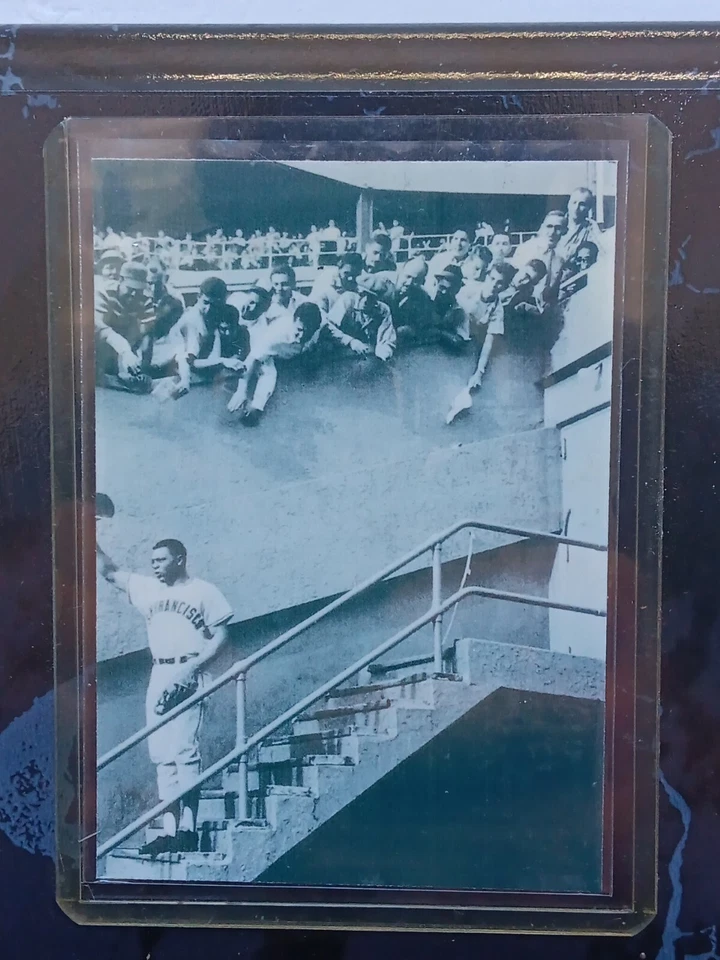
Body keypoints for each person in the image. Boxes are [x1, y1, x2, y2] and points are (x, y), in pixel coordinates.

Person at [97, 538, 232, 856]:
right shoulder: (148, 588)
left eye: (161, 560)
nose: (154, 565)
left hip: (190, 669)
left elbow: (223, 636)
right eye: (153, 560)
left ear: (180, 560)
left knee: (184, 751)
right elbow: (109, 571)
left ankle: (190, 828)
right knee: (161, 755)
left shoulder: (203, 591)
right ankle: (170, 832)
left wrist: (194, 668)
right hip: (159, 673)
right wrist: (89, 531)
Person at [226, 301, 323, 425]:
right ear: (294, 321)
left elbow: (331, 331)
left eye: (308, 332)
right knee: (268, 371)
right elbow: (252, 358)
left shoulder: (320, 325)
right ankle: (255, 408)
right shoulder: (276, 335)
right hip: (259, 334)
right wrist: (241, 390)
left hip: (289, 352)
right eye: (299, 330)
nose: (302, 336)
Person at [445, 261, 517, 423]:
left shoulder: (497, 310)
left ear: (505, 287)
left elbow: (489, 343)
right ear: (487, 276)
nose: (494, 285)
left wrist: (479, 372)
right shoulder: (468, 289)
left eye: (500, 283)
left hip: (465, 340)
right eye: (492, 279)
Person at [95, 262, 155, 392]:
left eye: (139, 290)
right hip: (100, 338)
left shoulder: (144, 298)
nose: (134, 294)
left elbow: (148, 334)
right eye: (131, 288)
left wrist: (144, 369)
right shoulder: (103, 292)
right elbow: (99, 328)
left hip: (123, 336)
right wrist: (125, 351)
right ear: (120, 280)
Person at [178, 277, 248, 382]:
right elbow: (190, 362)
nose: (209, 309)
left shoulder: (218, 315)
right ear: (198, 297)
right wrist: (223, 361)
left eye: (215, 305)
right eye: (205, 302)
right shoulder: (192, 319)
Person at [137, 296, 190, 399]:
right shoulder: (141, 329)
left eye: (172, 321)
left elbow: (182, 358)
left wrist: (185, 380)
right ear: (156, 311)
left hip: (156, 385)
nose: (167, 326)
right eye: (165, 320)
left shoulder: (174, 335)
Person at [324, 288, 396, 363]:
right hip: (339, 352)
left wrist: (384, 352)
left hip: (364, 354)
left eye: (370, 297)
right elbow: (328, 327)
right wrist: (350, 341)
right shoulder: (347, 300)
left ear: (377, 300)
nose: (365, 300)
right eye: (362, 294)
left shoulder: (382, 310)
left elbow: (387, 337)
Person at [511, 210, 567, 299]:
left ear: (564, 231)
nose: (552, 232)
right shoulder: (526, 249)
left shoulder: (560, 259)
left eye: (558, 228)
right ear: (542, 227)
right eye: (549, 226)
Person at [391, 256, 435, 347]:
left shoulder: (422, 297)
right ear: (400, 271)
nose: (409, 283)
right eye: (407, 276)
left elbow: (422, 325)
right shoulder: (382, 283)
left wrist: (412, 329)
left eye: (416, 280)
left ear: (423, 281)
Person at [427, 263, 471, 350]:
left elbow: (460, 341)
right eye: (442, 287)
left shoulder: (459, 312)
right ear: (437, 283)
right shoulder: (426, 300)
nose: (444, 292)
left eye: (449, 290)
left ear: (457, 290)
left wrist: (440, 332)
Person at [556, 187, 605, 262]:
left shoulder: (591, 228)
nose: (576, 207)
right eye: (574, 202)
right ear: (568, 204)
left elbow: (602, 254)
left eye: (582, 204)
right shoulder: (556, 223)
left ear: (589, 208)